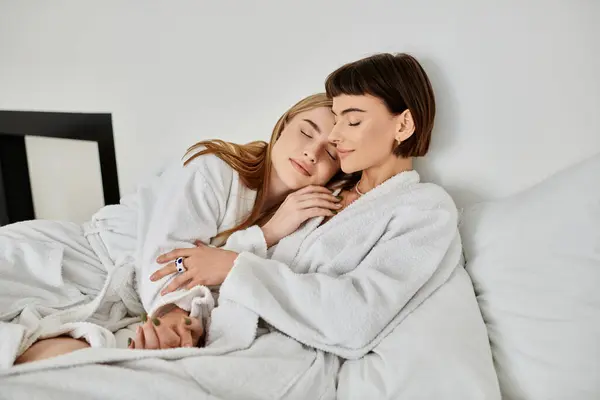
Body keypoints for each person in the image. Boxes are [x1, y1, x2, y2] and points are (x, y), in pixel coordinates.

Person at [141, 52, 461, 359]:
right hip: (212, 333)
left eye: (350, 121)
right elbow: (197, 263)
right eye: (327, 124)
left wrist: (233, 267)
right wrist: (187, 316)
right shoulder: (326, 195)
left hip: (264, 355)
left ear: (403, 126)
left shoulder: (426, 209)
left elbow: (356, 315)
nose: (333, 137)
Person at [0, 92, 350, 365]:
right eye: (306, 131)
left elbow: (219, 276)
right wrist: (266, 234)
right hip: (70, 259)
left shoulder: (305, 216)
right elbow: (167, 260)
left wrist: (189, 316)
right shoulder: (214, 168)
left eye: (332, 153)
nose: (312, 153)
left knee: (46, 360)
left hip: (118, 308)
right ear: (283, 124)